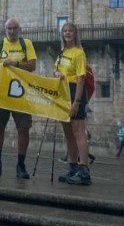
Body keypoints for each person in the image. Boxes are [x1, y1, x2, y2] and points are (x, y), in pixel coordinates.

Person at [0, 17, 37, 179]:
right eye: (9, 28)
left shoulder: (26, 44)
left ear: (19, 29)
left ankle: (21, 165)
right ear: (5, 30)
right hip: (1, 94)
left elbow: (32, 66)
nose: (12, 31)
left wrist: (15, 64)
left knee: (23, 129)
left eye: (15, 28)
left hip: (21, 95)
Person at [53, 22, 92, 185]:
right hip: (63, 93)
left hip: (75, 91)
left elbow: (81, 78)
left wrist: (76, 102)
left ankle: (84, 170)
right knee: (68, 133)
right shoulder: (63, 52)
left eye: (70, 31)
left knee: (78, 132)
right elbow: (55, 69)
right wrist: (57, 73)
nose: (67, 33)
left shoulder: (78, 53)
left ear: (75, 34)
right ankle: (73, 166)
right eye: (64, 31)